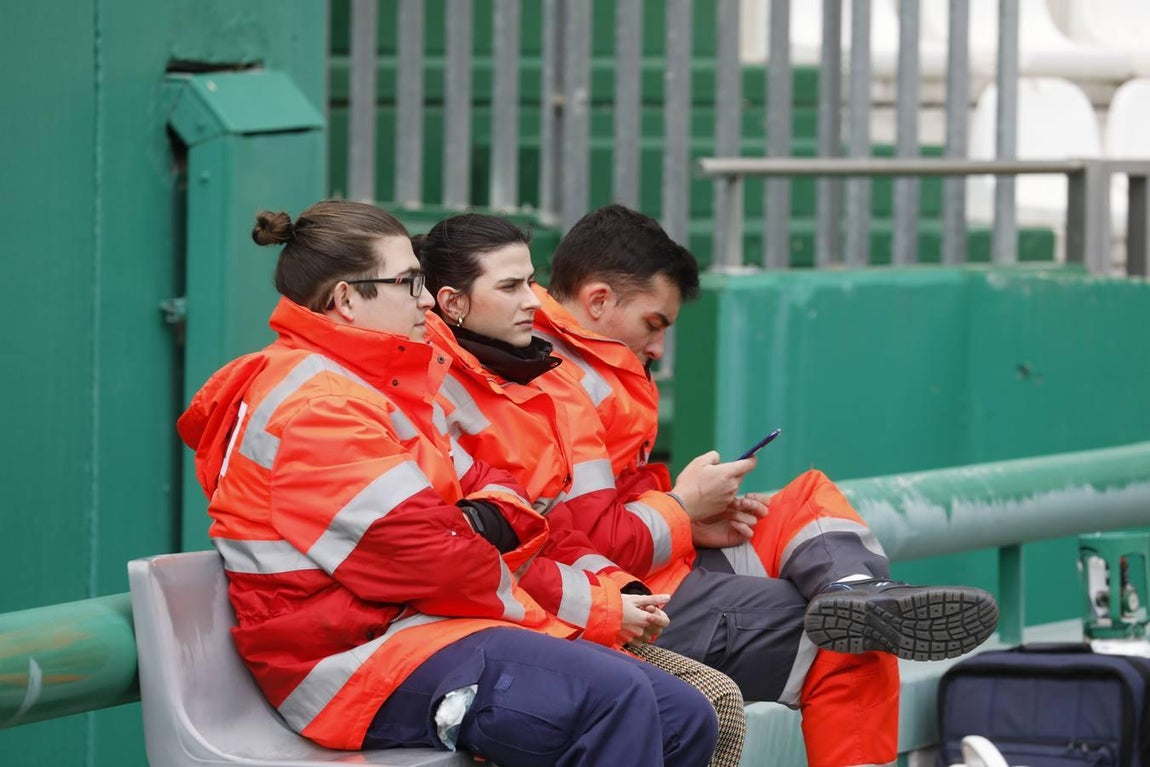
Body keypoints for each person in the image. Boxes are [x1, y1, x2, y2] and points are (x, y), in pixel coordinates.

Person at [447, 204, 997, 767]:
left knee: (804, 499)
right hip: (620, 596)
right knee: (846, 646)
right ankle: (852, 609)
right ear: (598, 300)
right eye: (653, 324)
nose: (658, 347)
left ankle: (855, 591)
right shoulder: (550, 378)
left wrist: (691, 518)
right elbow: (585, 543)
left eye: (529, 284)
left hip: (644, 568)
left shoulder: (557, 365)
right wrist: (683, 507)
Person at [176, 200, 719, 767]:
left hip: (427, 627)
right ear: (345, 299)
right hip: (354, 660)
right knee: (620, 700)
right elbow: (434, 557)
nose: (425, 297)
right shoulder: (319, 407)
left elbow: (495, 495)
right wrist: (485, 538)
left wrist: (473, 521)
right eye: (407, 281)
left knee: (682, 714)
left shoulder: (381, 387)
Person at [415, 213, 748, 767]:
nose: (532, 299)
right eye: (510, 286)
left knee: (702, 706)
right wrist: (676, 518)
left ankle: (852, 580)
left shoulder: (529, 379)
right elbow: (470, 556)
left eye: (530, 280)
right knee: (683, 704)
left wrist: (618, 590)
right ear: (452, 303)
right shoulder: (436, 388)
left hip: (542, 605)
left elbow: (544, 532)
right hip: (462, 630)